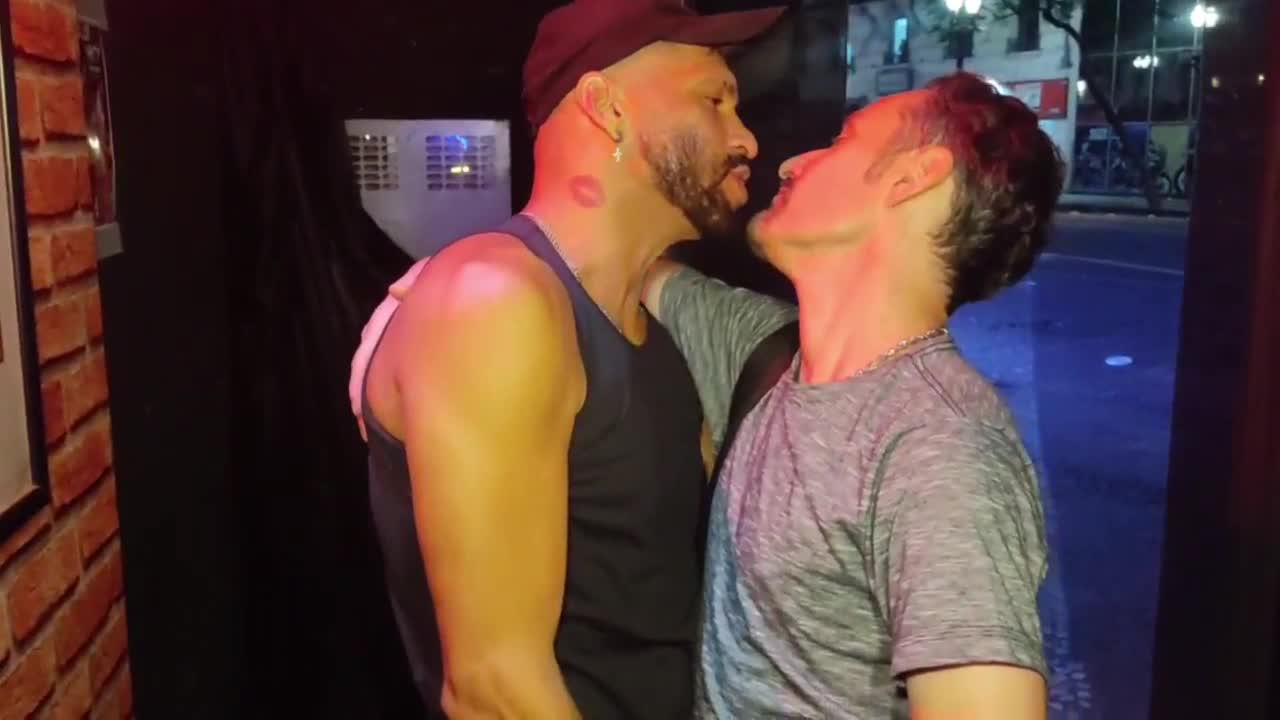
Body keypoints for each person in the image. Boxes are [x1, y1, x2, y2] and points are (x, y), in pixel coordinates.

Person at [353, 0, 784, 717]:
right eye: (714, 100)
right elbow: (494, 689)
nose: (747, 140)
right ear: (606, 108)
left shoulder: (650, 336)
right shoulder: (496, 300)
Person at [643, 73, 1062, 719]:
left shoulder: (941, 448)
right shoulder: (765, 354)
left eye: (842, 142)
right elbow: (621, 261)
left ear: (913, 176)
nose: (793, 162)